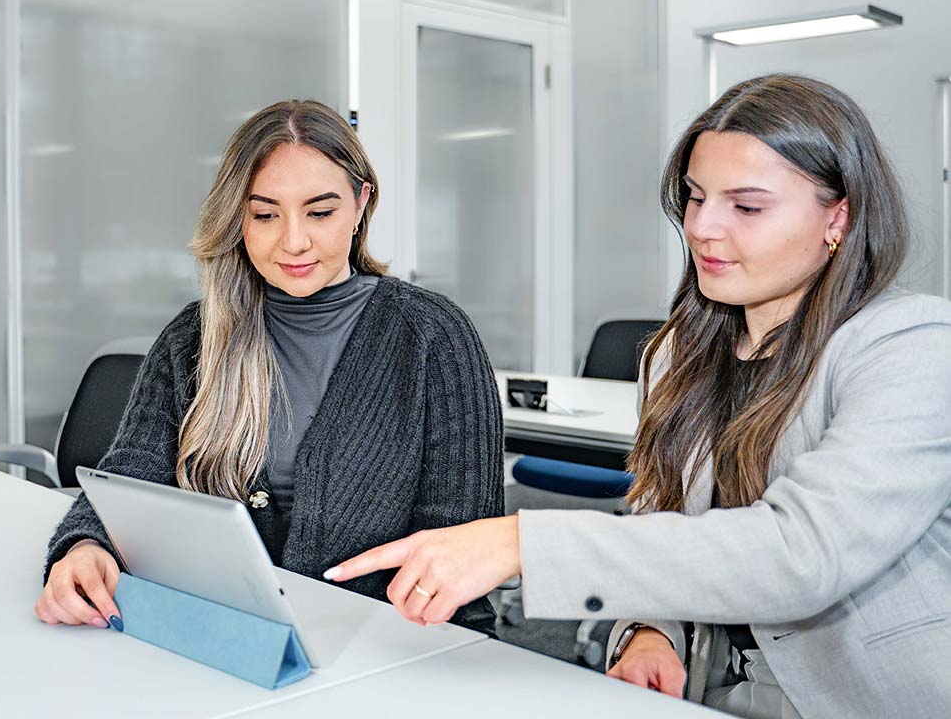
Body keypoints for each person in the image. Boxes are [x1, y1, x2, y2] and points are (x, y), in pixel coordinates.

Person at [326, 75, 951, 718]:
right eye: (696, 196)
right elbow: (667, 521)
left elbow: (804, 552)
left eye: (747, 206)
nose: (703, 226)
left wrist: (521, 544)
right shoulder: (682, 352)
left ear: (838, 218)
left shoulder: (912, 346)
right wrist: (652, 632)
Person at [35, 99, 503, 634]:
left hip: (381, 652)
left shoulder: (432, 338)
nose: (294, 241)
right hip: (218, 637)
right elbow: (131, 477)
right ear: (238, 218)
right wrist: (86, 545)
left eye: (320, 212)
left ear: (360, 204)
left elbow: (464, 557)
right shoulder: (195, 335)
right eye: (265, 215)